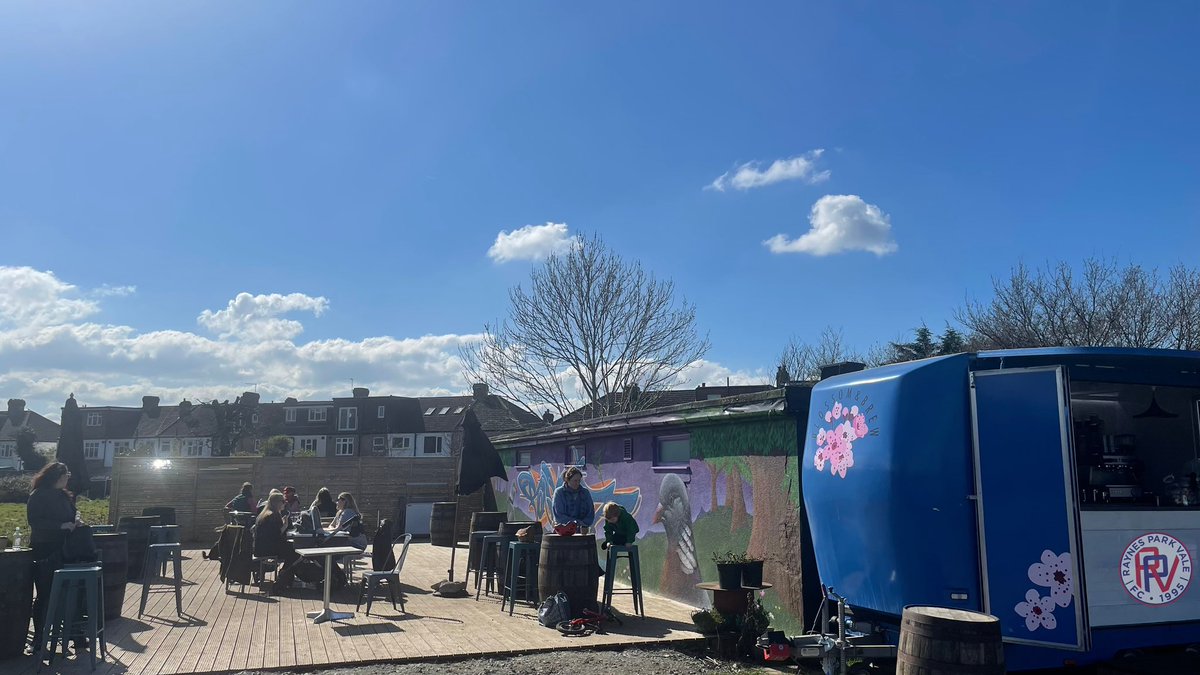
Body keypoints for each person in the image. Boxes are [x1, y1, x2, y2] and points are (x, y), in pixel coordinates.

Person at [26, 462, 82, 651]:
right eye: (66, 475)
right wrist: (60, 526)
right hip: (44, 549)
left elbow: (72, 515)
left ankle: (75, 634)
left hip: (65, 548)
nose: (68, 478)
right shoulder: (38, 495)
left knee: (70, 593)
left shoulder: (64, 496)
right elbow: (35, 521)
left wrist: (76, 522)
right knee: (44, 594)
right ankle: (39, 638)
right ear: (56, 477)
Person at [252, 492, 302, 593]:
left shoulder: (265, 514)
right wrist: (285, 525)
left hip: (260, 547)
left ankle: (285, 577)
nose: (285, 504)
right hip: (268, 549)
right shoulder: (273, 515)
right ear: (276, 503)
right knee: (296, 552)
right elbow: (276, 535)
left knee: (292, 550)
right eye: (283, 501)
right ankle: (284, 577)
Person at [552, 466, 594, 533]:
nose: (577, 483)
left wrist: (584, 524)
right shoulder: (559, 493)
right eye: (575, 481)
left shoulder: (585, 492)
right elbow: (559, 515)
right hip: (563, 533)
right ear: (567, 480)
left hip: (582, 532)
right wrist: (575, 523)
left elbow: (590, 513)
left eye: (579, 480)